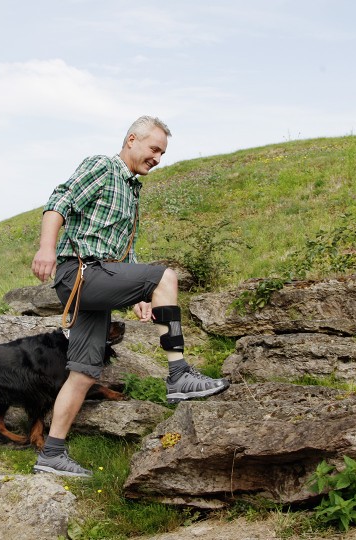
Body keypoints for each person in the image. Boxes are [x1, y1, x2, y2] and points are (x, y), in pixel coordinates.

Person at [30, 115, 230, 477]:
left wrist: (139, 293)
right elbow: (59, 201)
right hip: (80, 273)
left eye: (163, 153)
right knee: (166, 274)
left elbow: (125, 252)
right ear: (132, 140)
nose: (158, 157)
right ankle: (179, 374)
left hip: (100, 278)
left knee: (84, 372)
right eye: (154, 148)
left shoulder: (131, 189)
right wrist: (46, 248)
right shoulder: (103, 167)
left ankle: (52, 454)